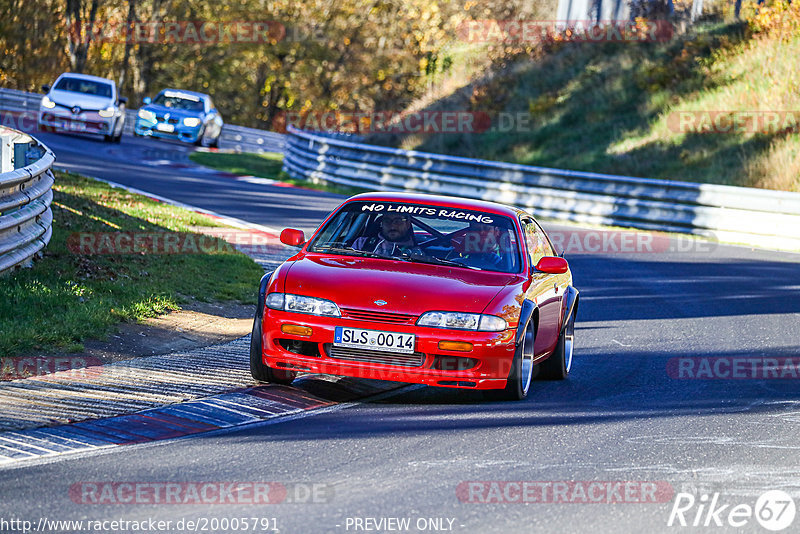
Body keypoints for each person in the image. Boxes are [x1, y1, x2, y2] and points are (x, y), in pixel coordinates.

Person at [352, 213, 421, 256]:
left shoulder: (418, 254)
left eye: (398, 221)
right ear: (381, 223)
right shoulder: (362, 243)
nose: (392, 226)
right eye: (387, 221)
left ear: (408, 224)